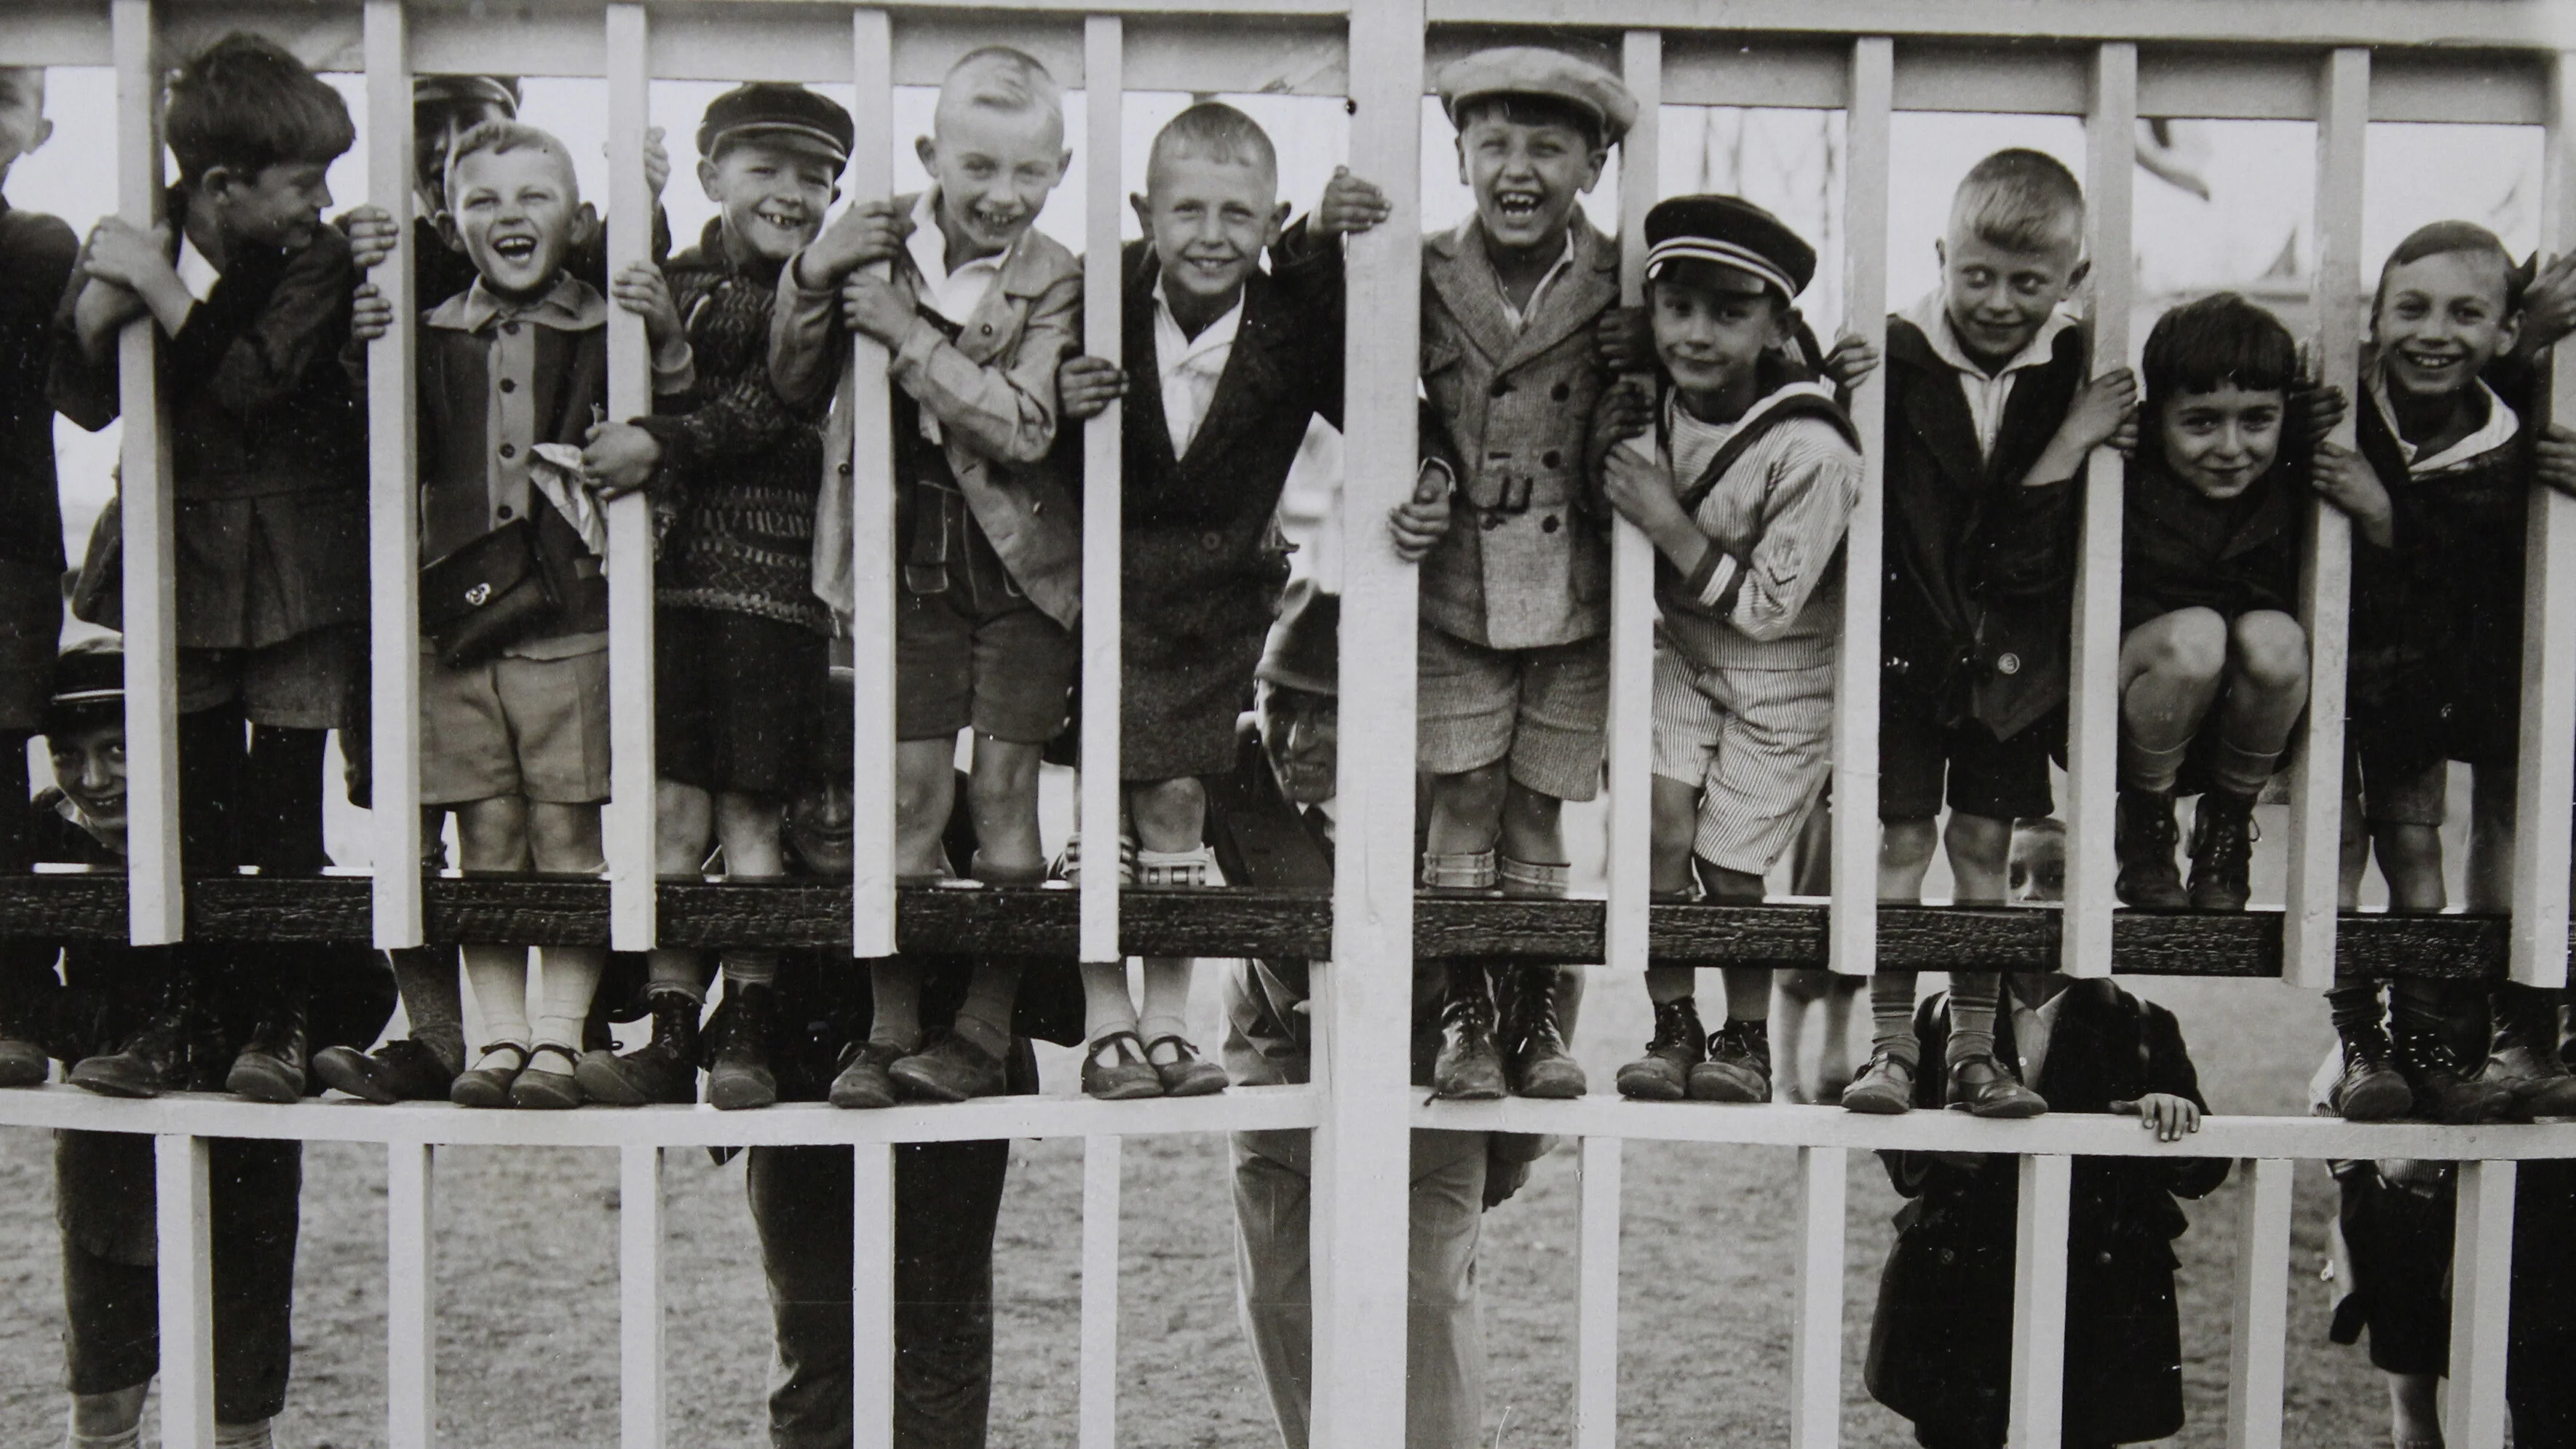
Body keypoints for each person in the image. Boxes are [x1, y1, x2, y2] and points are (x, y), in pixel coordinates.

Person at [332, 119, 694, 1108]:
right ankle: (491, 1042)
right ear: (450, 222)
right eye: (482, 200)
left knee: (567, 835)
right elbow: (378, 436)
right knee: (486, 833)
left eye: (533, 197)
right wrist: (363, 344)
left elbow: (669, 391)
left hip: (569, 622)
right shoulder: (429, 328)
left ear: (575, 216)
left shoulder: (603, 326)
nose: (508, 216)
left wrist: (656, 320)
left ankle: (553, 1037)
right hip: (453, 630)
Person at [48, 31, 366, 1102]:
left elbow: (254, 380)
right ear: (221, 185)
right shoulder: (147, 236)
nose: (320, 202)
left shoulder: (315, 261)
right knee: (188, 807)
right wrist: (109, 299)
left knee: (283, 811)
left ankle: (277, 1015)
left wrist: (157, 286)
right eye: (302, 183)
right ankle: (179, 1014)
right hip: (174, 557)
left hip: (291, 572)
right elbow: (82, 395)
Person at [1047, 103, 1388, 1097]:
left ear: (1271, 219)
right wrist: (1067, 406)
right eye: (1184, 209)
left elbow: (1370, 400)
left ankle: (1166, 1018)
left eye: (1237, 215)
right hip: (1101, 587)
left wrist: (1321, 246)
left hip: (1212, 600)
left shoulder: (1284, 322)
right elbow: (1031, 420)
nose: (1208, 235)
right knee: (1100, 804)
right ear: (1141, 210)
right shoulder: (1094, 295)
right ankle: (1106, 1017)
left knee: (1178, 796)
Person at [764, 49, 1080, 1109]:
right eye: (977, 166)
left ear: (1061, 169)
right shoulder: (870, 245)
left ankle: (982, 1027)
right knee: (901, 793)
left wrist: (903, 337)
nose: (1001, 196)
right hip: (899, 562)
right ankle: (889, 1024)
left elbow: (1024, 424)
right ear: (928, 155)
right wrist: (812, 275)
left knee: (1003, 795)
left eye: (1028, 175)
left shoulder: (1057, 276)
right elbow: (792, 377)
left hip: (1018, 568)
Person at [12, 637, 395, 1449]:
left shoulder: (241, 828)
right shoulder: (47, 831)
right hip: (107, 1127)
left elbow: (360, 981)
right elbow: (17, 978)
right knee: (104, 1392)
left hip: (240, 1129)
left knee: (235, 1397)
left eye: (117, 749)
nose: (95, 777)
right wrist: (96, 1034)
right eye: (70, 755)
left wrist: (264, 1041)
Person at [574, 82, 854, 1111]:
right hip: (674, 579)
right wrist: (630, 210)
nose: (790, 193)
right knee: (672, 806)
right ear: (710, 178)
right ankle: (668, 1019)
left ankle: (750, 1017)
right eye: (765, 170)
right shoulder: (667, 274)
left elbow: (772, 412)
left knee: (750, 810)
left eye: (813, 177)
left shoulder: (816, 295)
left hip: (774, 588)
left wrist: (665, 427)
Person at [1218, 581, 1543, 1449]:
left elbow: (1540, 948)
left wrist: (1513, 1137)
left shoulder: (1451, 791)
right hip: (1282, 1072)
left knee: (1428, 1299)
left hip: (1429, 1084)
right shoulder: (1234, 768)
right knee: (1277, 1299)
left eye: (1325, 713)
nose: (1296, 739)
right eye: (1279, 706)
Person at [1846, 149, 2135, 1120]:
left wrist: (2072, 434)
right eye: (1975, 275)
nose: (2000, 301)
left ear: (2072, 282)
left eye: (2029, 281)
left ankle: (1971, 1048)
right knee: (1894, 837)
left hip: (2008, 662)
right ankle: (1887, 1047)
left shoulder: (2071, 373)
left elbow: (2023, 557)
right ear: (1939, 256)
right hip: (1908, 650)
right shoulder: (1890, 355)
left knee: (1982, 841)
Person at [741, 672, 1084, 1449]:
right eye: (809, 786)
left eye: (851, 782)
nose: (831, 811)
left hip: (946, 1110)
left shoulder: (964, 811)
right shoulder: (754, 837)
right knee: (814, 1335)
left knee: (937, 1334)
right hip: (800, 1100)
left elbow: (1063, 1009)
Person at [1587, 194, 1860, 1104]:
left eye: (1729, 311)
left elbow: (1768, 609)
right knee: (1656, 826)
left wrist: (1666, 522)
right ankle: (1673, 1022)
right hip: (1680, 651)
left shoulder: (1811, 445)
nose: (1696, 334)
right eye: (1677, 308)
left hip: (1780, 672)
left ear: (1778, 323)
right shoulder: (1652, 399)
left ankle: (1744, 1037)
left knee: (1730, 864)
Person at [1408, 45, 1636, 1102]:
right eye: (1492, 142)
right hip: (1453, 578)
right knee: (1461, 789)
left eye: (1546, 147)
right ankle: (1463, 1010)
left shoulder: (1628, 277)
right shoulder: (1418, 271)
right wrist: (1421, 465)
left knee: (1539, 808)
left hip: (1574, 587)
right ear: (1456, 155)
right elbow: (1363, 385)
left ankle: (1536, 1006)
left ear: (1590, 164)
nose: (1517, 169)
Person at [2313, 221, 2576, 1123]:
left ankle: (2491, 1027)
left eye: (2465, 314)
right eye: (2410, 309)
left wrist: (2386, 517)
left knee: (2450, 836)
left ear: (2502, 330)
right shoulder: (2341, 396)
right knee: (2340, 850)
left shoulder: (2501, 426)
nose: (2432, 329)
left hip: (2450, 668)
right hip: (2344, 675)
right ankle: (2366, 1037)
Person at [1863, 955, 2227, 1448]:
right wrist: (1934, 1145)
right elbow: (1892, 1139)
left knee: (2080, 1429)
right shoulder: (1941, 1013)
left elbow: (2200, 1171)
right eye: (2015, 878)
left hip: (2091, 1276)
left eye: (2054, 877)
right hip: (1964, 1273)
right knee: (1955, 1430)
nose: (2032, 898)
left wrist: (2170, 1114)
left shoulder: (2138, 1020)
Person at [2109, 293, 2337, 919]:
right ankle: (2146, 819)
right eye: (2201, 421)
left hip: (2238, 721)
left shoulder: (2289, 469)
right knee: (2197, 635)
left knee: (2276, 637)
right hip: (2138, 704)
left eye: (2256, 420)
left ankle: (2227, 822)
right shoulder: (2121, 469)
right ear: (2156, 417)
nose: (2232, 446)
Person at [0, 66, 72, 880]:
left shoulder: (35, 242)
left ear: (39, 131)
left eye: (4, 92)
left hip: (8, 545)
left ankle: (15, 988)